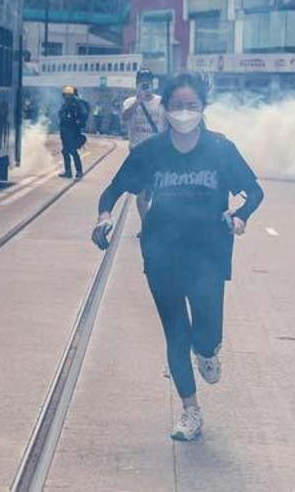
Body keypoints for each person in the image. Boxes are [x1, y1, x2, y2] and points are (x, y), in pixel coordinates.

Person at [90, 73, 264, 441]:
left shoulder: (220, 149)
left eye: (192, 106)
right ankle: (190, 411)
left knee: (206, 333)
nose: (184, 113)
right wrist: (103, 220)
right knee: (175, 335)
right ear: (165, 109)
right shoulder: (150, 153)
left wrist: (239, 215)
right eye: (177, 106)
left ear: (202, 109)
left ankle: (208, 350)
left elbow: (253, 191)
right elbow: (112, 192)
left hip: (209, 255)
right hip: (162, 253)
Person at [122, 68, 168, 229]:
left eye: (148, 81)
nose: (145, 85)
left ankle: (153, 225)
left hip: (158, 153)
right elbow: (124, 118)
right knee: (142, 195)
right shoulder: (129, 102)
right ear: (136, 83)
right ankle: (148, 227)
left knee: (158, 193)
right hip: (137, 154)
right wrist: (138, 101)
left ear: (153, 83)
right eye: (142, 82)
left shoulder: (162, 102)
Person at [58, 85, 89, 179]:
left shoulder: (76, 104)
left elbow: (82, 116)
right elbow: (61, 115)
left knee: (72, 151)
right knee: (66, 151)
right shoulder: (66, 104)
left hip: (72, 131)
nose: (65, 97)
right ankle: (69, 172)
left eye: (67, 95)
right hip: (65, 131)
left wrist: (77, 124)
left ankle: (78, 172)